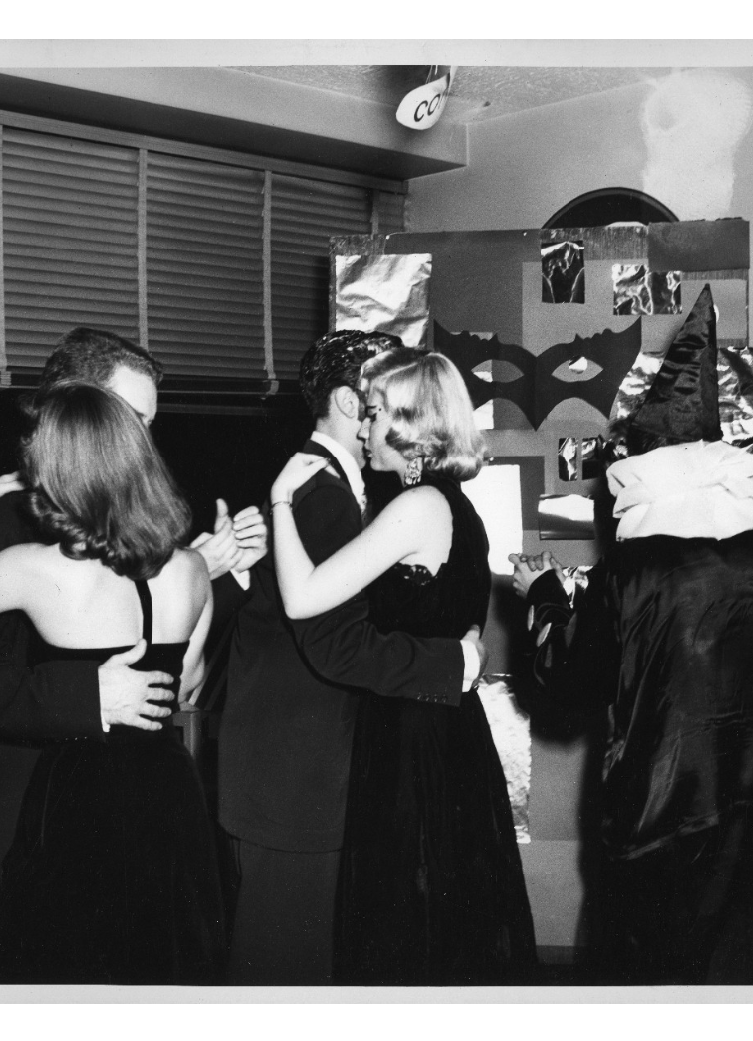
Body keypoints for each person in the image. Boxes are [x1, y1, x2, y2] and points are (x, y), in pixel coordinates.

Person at [510, 285, 753, 985]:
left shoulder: (635, 569)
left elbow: (567, 681)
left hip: (662, 817)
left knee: (657, 972)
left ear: (645, 467)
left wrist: (540, 595)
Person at [0, 327, 265, 974]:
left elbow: (166, 671)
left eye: (148, 422)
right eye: (130, 417)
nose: (142, 440)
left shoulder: (132, 529)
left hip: (128, 835)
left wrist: (223, 573)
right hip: (24, 829)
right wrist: (89, 696)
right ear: (70, 410)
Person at [217, 331, 487, 986]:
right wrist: (453, 663)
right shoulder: (324, 492)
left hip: (341, 770)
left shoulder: (372, 495)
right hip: (300, 780)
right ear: (350, 399)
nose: (371, 421)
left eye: (383, 406)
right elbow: (332, 638)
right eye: (369, 402)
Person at [268, 347, 538, 986]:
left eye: (375, 413)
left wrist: (281, 503)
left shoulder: (415, 509)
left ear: (411, 426)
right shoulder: (452, 506)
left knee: (407, 922)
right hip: (443, 729)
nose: (362, 429)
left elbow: (303, 597)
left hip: (412, 739)